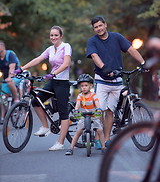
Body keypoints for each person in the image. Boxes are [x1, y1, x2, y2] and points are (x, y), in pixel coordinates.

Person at [86, 15, 146, 148]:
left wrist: (142, 62)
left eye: (100, 25)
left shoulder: (117, 37)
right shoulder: (92, 41)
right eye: (96, 27)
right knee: (99, 110)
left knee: (110, 111)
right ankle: (97, 137)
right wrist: (104, 67)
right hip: (101, 81)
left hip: (117, 81)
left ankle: (106, 139)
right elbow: (94, 56)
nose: (99, 29)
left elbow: (130, 49)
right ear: (94, 29)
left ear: (105, 25)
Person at [14, 26, 72, 151]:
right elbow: (38, 59)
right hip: (53, 81)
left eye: (56, 35)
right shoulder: (50, 49)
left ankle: (60, 142)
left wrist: (53, 74)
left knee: (63, 113)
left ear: (61, 36)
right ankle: (45, 126)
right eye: (51, 35)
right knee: (36, 101)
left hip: (62, 82)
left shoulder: (66, 46)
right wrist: (22, 69)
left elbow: (66, 63)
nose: (53, 37)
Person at [65, 74, 105, 155]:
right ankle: (71, 148)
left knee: (100, 130)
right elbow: (77, 105)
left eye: (86, 85)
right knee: (78, 131)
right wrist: (76, 110)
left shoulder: (93, 95)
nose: (84, 87)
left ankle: (103, 147)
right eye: (82, 86)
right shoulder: (80, 96)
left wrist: (99, 109)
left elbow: (97, 103)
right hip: (83, 115)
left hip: (93, 115)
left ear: (90, 85)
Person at [0, 41, 21, 124]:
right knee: (2, 98)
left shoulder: (10, 55)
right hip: (5, 79)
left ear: (3, 48)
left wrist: (10, 77)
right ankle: (2, 116)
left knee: (10, 82)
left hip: (16, 76)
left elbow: (12, 68)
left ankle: (16, 99)